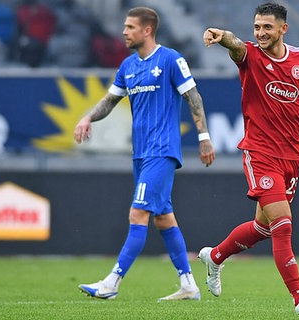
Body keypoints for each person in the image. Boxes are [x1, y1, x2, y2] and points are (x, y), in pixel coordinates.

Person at [198, 2, 299, 316]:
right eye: (257, 27)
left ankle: (214, 257)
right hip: (259, 152)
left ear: (283, 29)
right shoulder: (249, 56)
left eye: (267, 27)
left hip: (291, 156)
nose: (261, 33)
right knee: (282, 224)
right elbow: (235, 44)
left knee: (263, 228)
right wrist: (221, 34)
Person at [74, 6, 215, 301]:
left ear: (147, 30)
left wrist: (204, 138)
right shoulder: (128, 66)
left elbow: (194, 97)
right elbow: (110, 101)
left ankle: (112, 282)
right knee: (163, 218)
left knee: (138, 213)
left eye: (129, 27)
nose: (124, 32)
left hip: (162, 152)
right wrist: (87, 118)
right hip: (141, 153)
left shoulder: (171, 59)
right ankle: (188, 284)